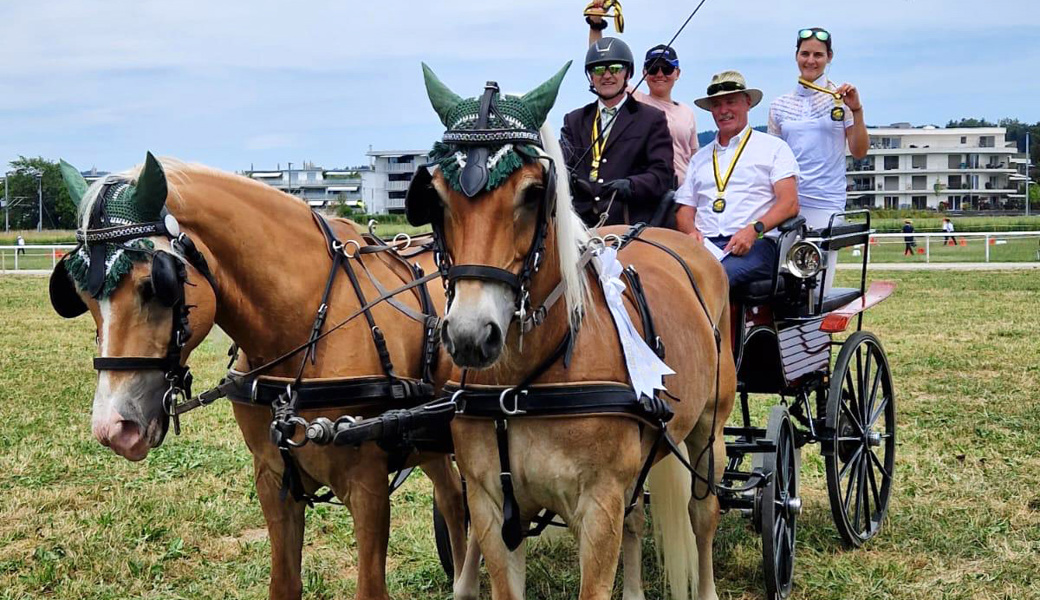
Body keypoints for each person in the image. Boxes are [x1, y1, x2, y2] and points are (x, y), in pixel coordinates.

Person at [675, 71, 800, 287]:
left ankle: (708, 323)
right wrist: (691, 232)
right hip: (706, 245)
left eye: (730, 102)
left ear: (747, 103)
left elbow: (789, 204)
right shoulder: (700, 158)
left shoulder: (774, 148)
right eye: (716, 105)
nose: (723, 111)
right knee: (659, 278)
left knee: (712, 278)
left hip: (756, 244)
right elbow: (685, 209)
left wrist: (754, 229)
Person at [768, 27, 868, 291]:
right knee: (781, 278)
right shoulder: (780, 105)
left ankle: (816, 332)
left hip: (825, 202)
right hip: (790, 202)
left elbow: (859, 151)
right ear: (796, 56)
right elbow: (774, 158)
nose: (810, 60)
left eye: (818, 55)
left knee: (817, 281)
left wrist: (856, 110)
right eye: (805, 53)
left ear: (829, 57)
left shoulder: (842, 99)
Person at [561, 36, 674, 227]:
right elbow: (562, 164)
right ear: (591, 76)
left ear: (627, 74)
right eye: (598, 69)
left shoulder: (651, 119)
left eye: (614, 68)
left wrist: (632, 185)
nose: (606, 75)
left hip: (628, 226)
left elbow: (662, 175)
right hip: (579, 226)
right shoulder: (574, 120)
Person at [585, 3, 699, 186]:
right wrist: (595, 24)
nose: (660, 74)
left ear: (678, 73)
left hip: (683, 193)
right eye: (654, 69)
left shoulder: (688, 112)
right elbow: (601, 65)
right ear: (644, 74)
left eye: (667, 68)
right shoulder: (634, 99)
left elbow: (694, 159)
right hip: (650, 192)